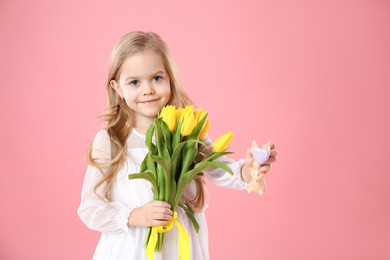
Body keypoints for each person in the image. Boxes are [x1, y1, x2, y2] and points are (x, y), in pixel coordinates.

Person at [77, 31, 277, 260]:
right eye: (134, 82)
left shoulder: (186, 131)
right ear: (118, 88)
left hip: (180, 250)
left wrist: (248, 169)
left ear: (170, 78)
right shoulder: (112, 140)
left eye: (157, 78)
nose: (148, 90)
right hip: (132, 252)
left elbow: (222, 170)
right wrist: (135, 215)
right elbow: (90, 209)